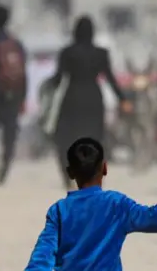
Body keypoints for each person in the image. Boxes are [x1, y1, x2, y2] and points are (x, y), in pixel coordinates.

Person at [25, 137, 157, 270]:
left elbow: (42, 257)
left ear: (70, 173)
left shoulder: (60, 211)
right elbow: (155, 219)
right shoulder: (116, 204)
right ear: (105, 168)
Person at [48, 16, 131, 190]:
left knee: (65, 138)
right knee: (94, 139)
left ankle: (68, 176)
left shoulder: (67, 52)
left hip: (72, 98)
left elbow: (57, 79)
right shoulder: (101, 53)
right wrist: (123, 99)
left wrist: (46, 89)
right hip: (94, 99)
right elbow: (110, 78)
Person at [0, 4, 27, 185]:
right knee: (10, 134)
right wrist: (22, 97)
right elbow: (23, 73)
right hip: (13, 95)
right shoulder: (16, 45)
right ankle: (4, 168)